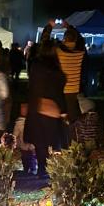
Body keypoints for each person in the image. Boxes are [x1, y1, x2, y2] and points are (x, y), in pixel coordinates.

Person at [24, 46, 67, 179]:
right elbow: (59, 93)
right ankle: (52, 168)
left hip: (37, 107)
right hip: (52, 109)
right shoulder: (57, 71)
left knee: (40, 142)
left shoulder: (36, 68)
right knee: (52, 141)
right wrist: (63, 110)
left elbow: (31, 88)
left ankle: (42, 169)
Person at [40, 21, 85, 121]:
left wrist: (49, 27)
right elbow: (81, 39)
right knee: (72, 115)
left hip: (60, 87)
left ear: (64, 38)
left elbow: (45, 44)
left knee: (59, 114)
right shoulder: (80, 51)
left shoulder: (59, 51)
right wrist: (69, 27)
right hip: (73, 89)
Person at [13, 102, 38, 174]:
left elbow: (15, 135)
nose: (24, 110)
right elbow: (15, 135)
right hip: (26, 146)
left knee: (29, 158)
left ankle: (31, 169)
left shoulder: (27, 121)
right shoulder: (20, 122)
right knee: (28, 158)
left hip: (28, 146)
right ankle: (29, 170)